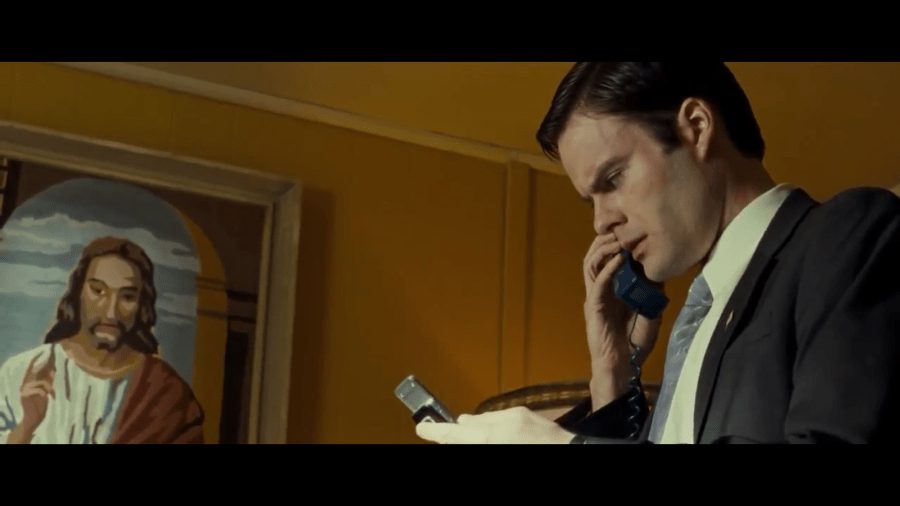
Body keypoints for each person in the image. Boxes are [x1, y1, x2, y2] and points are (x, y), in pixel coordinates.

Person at [416, 62, 900, 444]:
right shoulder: (697, 328)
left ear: (697, 126)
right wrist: (612, 369)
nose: (600, 222)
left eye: (613, 179)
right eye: (590, 200)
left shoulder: (850, 233)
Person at [0, 236, 204, 444]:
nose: (111, 312)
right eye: (98, 291)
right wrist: (26, 428)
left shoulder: (166, 393)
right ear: (78, 293)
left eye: (127, 297)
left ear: (142, 305)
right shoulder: (21, 373)